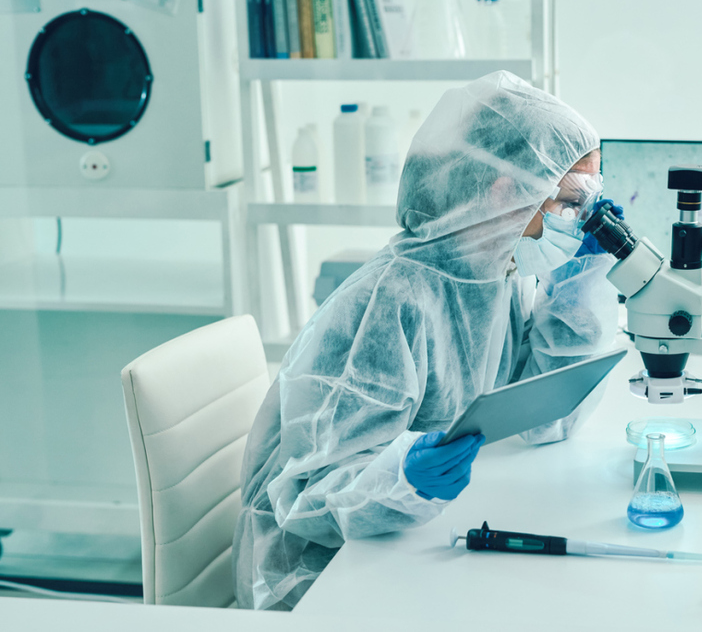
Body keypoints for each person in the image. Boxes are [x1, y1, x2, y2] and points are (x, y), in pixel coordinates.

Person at [233, 71, 622, 610]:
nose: (578, 223)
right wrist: (399, 479)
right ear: (507, 192)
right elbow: (303, 497)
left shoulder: (497, 275)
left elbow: (540, 415)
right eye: (571, 203)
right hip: (322, 581)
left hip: (417, 545)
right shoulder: (391, 301)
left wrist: (580, 283)